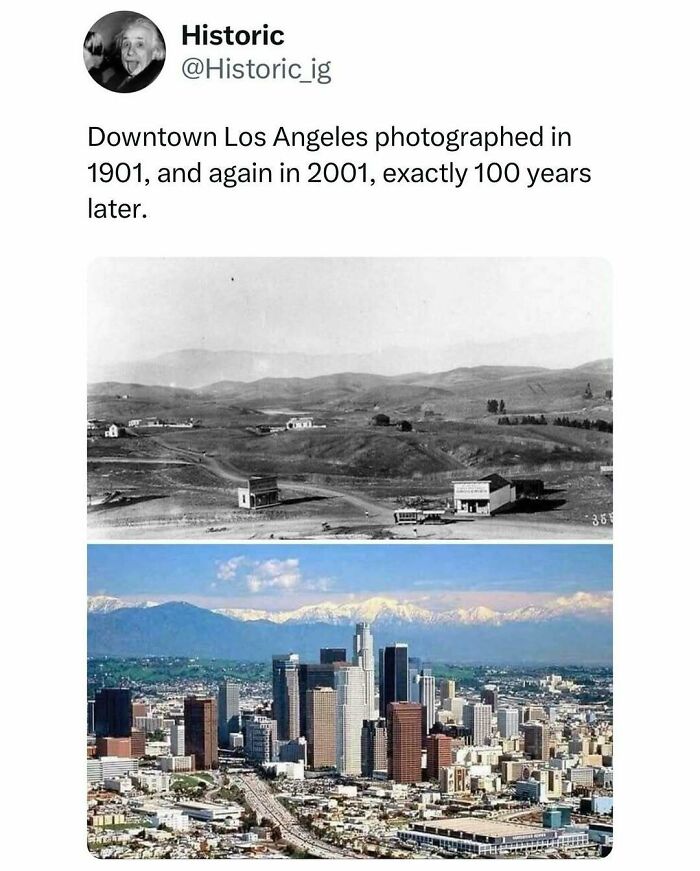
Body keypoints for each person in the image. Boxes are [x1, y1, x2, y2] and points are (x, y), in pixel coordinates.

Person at [99, 17, 165, 92]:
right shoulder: (115, 80)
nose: (130, 52)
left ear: (155, 52)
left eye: (139, 44)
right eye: (126, 44)